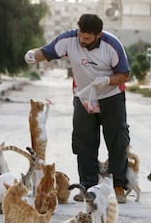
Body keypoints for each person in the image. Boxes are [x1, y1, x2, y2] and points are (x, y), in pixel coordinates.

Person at [24, 13, 130, 203]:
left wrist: (106, 80)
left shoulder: (112, 45)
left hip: (111, 97)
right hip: (83, 97)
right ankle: (87, 187)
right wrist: (32, 55)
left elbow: (124, 74)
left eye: (87, 37)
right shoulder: (69, 39)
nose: (82, 40)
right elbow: (46, 52)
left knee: (117, 141)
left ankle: (118, 187)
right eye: (80, 34)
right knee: (84, 142)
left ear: (98, 35)